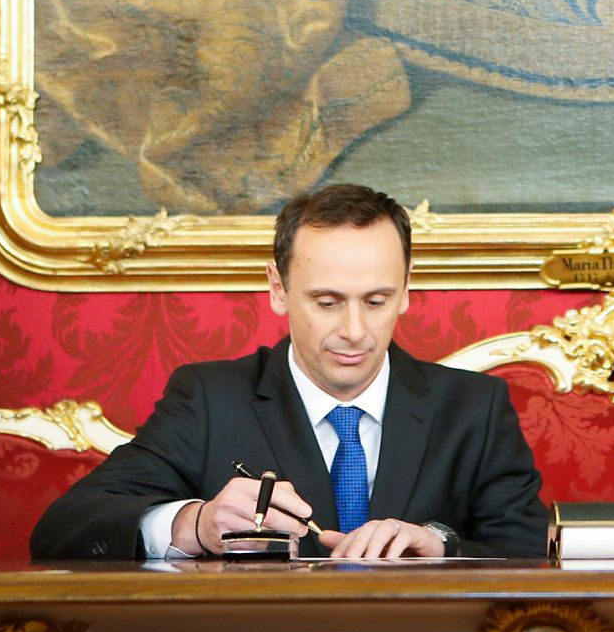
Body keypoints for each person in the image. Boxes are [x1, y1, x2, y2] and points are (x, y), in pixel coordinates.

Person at [31, 184, 547, 560]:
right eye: (326, 302)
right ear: (277, 288)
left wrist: (440, 543)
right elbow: (63, 530)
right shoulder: (209, 400)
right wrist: (196, 524)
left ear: (407, 289)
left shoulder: (474, 408)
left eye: (376, 300)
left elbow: (532, 554)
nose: (354, 330)